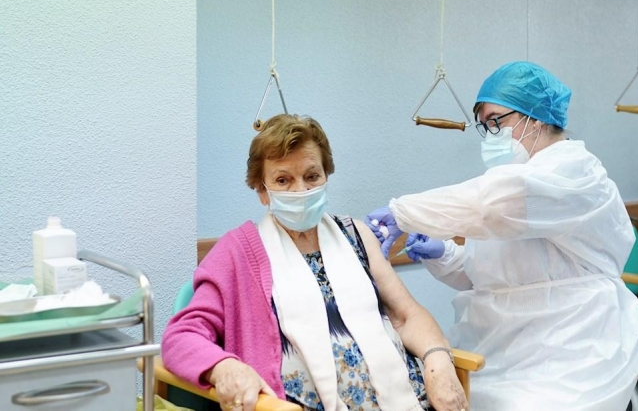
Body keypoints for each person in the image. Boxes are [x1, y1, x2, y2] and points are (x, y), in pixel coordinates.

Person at [366, 61, 638, 410]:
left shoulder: (575, 172)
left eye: (497, 120)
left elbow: (492, 205)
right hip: (501, 348)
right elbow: (488, 274)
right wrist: (446, 255)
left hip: (572, 351)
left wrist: (403, 213)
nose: (492, 133)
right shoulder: (512, 181)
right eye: (485, 126)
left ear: (537, 117)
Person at [162, 114, 468, 411]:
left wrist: (438, 361)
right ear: (262, 191)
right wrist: (225, 368)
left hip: (406, 398)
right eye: (283, 180)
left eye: (311, 176)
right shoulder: (238, 252)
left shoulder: (355, 234)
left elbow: (406, 316)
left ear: (325, 176)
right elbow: (182, 336)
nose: (301, 191)